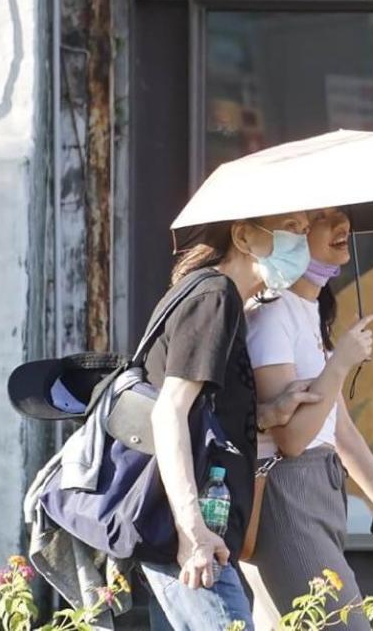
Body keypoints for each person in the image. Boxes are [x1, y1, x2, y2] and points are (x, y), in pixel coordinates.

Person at [140, 210, 318, 631]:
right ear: (242, 236)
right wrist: (193, 531)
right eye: (291, 228)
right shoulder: (214, 297)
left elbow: (205, 417)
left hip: (192, 538)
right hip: (193, 542)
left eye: (306, 231)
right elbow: (170, 410)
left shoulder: (221, 300)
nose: (302, 242)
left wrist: (266, 415)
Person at [243, 207, 373, 630]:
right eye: (322, 218)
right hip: (286, 490)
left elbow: (337, 425)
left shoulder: (308, 309)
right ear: (294, 235)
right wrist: (340, 364)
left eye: (344, 217)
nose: (343, 227)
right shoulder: (271, 314)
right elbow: (290, 440)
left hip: (321, 489)